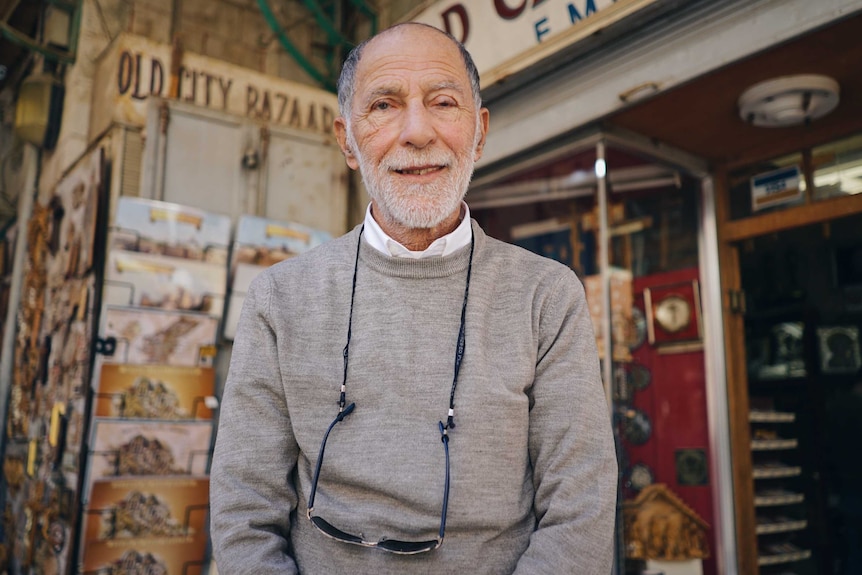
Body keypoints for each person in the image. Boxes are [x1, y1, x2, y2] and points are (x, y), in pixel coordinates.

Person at [210, 22, 617, 574]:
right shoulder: (280, 298)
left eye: (444, 102)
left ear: (479, 131)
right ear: (347, 140)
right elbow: (243, 513)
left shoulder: (546, 297)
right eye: (383, 105)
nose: (418, 132)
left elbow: (580, 511)